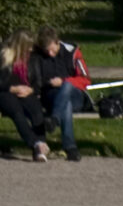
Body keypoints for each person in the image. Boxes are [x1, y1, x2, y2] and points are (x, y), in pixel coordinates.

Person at [0, 29, 53, 162]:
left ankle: (40, 148)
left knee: (36, 111)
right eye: (28, 46)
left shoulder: (33, 58)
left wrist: (31, 90)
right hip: (4, 93)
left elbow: (38, 81)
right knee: (16, 111)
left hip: (26, 92)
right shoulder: (2, 55)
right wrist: (12, 88)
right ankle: (36, 144)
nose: (31, 49)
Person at [31, 24, 93, 161]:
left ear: (57, 41)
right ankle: (70, 148)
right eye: (46, 51)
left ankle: (55, 120)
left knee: (67, 85)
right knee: (66, 104)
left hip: (75, 94)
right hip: (51, 96)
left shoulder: (72, 52)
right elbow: (35, 79)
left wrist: (64, 81)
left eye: (52, 50)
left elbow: (85, 79)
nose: (50, 54)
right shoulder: (38, 56)